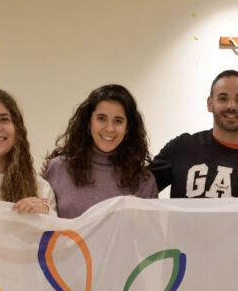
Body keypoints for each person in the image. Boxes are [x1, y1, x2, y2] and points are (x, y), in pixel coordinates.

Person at [150, 70, 238, 199]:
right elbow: (140, 191)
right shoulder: (181, 148)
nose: (231, 106)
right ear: (210, 103)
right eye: (223, 98)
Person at [43, 84, 157, 218]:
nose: (109, 128)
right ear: (89, 121)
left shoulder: (144, 181)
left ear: (127, 127)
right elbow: (39, 223)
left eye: (118, 121)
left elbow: (152, 231)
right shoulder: (57, 168)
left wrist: (139, 220)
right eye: (101, 118)